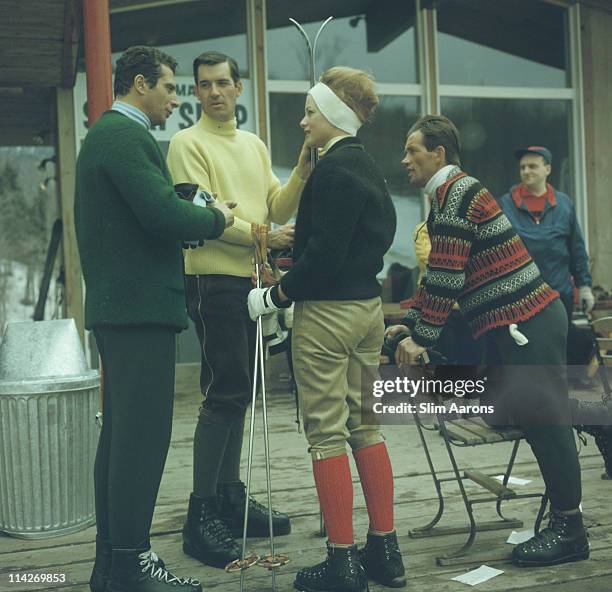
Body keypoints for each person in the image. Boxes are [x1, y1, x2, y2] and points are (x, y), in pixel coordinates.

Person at [388, 115, 589, 568]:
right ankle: (566, 506)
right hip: (512, 324)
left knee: (548, 423)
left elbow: (447, 274)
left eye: (412, 150)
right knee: (518, 414)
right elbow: (440, 272)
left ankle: (570, 529)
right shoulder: (445, 198)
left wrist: (421, 336)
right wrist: (413, 322)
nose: (405, 159)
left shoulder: (458, 192)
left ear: (438, 154)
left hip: (529, 321)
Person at [75, 46, 236, 592]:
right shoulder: (124, 134)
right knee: (142, 439)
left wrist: (182, 216)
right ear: (140, 84)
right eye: (170, 87)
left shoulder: (110, 135)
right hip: (137, 311)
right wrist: (216, 217)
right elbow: (161, 212)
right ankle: (133, 562)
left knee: (122, 439)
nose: (177, 97)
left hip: (124, 311)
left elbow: (143, 218)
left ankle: (112, 565)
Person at [248, 67, 405, 592]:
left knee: (326, 433)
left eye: (311, 112)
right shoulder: (367, 167)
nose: (303, 121)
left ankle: (342, 563)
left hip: (327, 317)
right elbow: (361, 241)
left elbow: (325, 255)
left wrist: (275, 294)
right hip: (368, 310)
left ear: (333, 115)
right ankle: (385, 551)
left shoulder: (333, 173)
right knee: (367, 426)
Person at [166, 51, 310, 568]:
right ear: (196, 93)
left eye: (223, 83)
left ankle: (228, 497)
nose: (214, 92)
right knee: (223, 392)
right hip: (212, 281)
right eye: (204, 85)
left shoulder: (251, 144)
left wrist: (302, 168)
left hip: (251, 281)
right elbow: (203, 213)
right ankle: (199, 514)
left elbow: (276, 205)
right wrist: (263, 235)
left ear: (239, 88)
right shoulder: (187, 143)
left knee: (239, 392)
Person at [499, 146, 594, 318]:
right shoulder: (505, 205)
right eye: (522, 167)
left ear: (547, 169)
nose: (526, 171)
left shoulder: (564, 205)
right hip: (519, 298)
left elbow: (576, 250)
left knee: (560, 344)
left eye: (532, 166)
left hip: (559, 296)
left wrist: (585, 287)